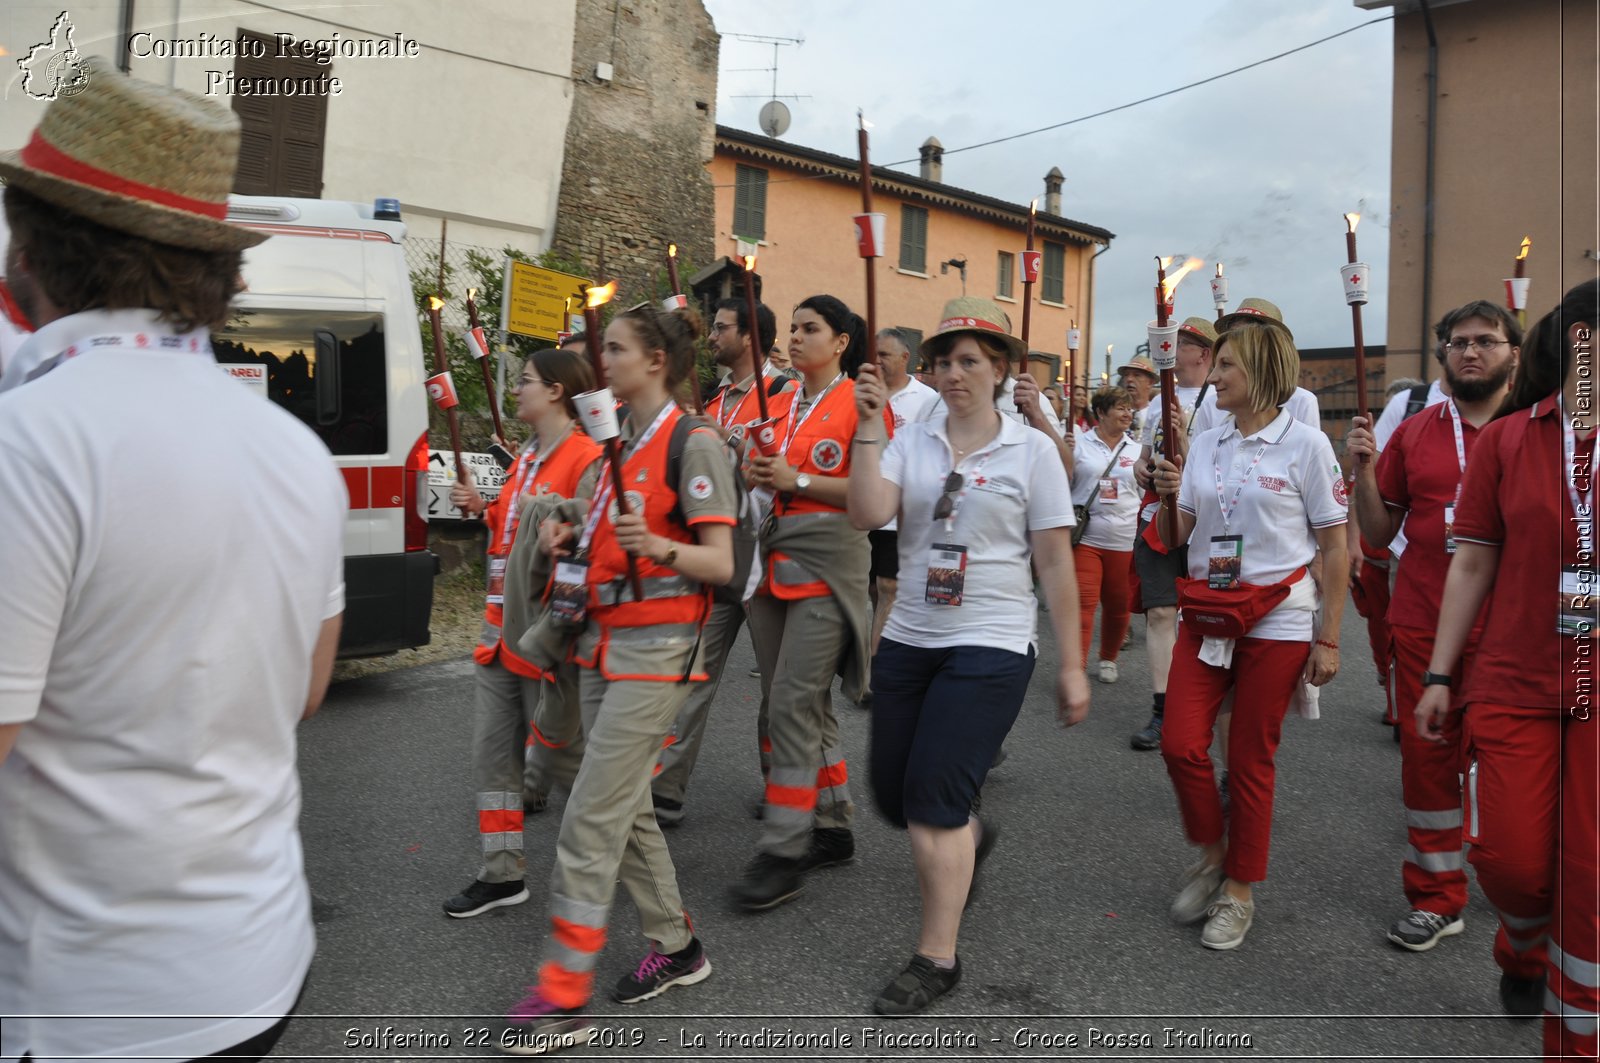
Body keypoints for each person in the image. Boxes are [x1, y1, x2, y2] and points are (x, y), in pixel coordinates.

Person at [0, 63, 344, 1062]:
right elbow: (306, 691)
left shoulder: (30, 441)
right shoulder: (295, 451)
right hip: (254, 964)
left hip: (79, 1002)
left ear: (32, 244)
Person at [846, 297, 1089, 1014]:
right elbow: (866, 513)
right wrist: (866, 426)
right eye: (944, 361)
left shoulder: (1032, 450)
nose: (954, 373)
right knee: (895, 796)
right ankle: (969, 836)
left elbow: (1055, 561)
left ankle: (936, 956)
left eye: (970, 361)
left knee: (933, 803)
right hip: (910, 636)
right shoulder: (908, 438)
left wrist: (1071, 663)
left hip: (990, 640)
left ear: (1000, 369)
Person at [503, 305, 736, 1050]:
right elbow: (608, 523)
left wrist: (660, 548)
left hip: (658, 652)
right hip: (602, 646)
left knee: (590, 821)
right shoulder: (621, 440)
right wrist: (568, 519)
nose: (600, 361)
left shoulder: (693, 441)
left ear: (656, 361)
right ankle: (677, 946)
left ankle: (564, 994)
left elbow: (720, 564)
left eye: (614, 348)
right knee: (624, 808)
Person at [1415, 279, 1599, 1055]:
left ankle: (1575, 1038)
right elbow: (1470, 565)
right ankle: (1523, 942)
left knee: (1588, 884)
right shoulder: (1511, 438)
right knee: (1513, 865)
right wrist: (1438, 673)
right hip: (1517, 681)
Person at [1150, 317, 1347, 951]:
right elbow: (1179, 535)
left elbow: (1335, 544)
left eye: (1228, 365)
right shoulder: (1207, 444)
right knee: (1180, 743)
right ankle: (1212, 853)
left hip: (1279, 620)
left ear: (1261, 372)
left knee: (1249, 760)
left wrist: (1331, 636)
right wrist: (1164, 494)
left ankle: (1239, 889)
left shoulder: (1307, 446)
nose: (1216, 374)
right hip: (1207, 611)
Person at [1345, 300, 1521, 952]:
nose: (1471, 351)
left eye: (1487, 341)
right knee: (1429, 765)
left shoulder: (1540, 430)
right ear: (1443, 355)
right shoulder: (1416, 432)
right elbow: (1378, 529)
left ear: (1514, 355)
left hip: (1513, 634)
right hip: (1421, 624)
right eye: (1458, 341)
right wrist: (1363, 470)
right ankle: (1438, 897)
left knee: (1512, 771)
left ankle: (1521, 891)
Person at [730, 293, 892, 911]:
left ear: (842, 341)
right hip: (773, 557)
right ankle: (832, 823)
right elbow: (768, 472)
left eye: (810, 328)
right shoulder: (780, 403)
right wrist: (755, 471)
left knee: (792, 704)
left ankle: (784, 848)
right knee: (795, 701)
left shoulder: (861, 401)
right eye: (792, 329)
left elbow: (873, 491)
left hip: (831, 560)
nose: (795, 338)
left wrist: (794, 480)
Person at [442, 347, 602, 917]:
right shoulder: (525, 457)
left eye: (527, 381)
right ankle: (502, 873)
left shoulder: (586, 458)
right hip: (495, 634)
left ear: (557, 391)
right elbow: (513, 530)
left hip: (543, 636)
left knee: (569, 762)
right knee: (494, 759)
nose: (516, 390)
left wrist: (557, 633)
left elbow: (584, 550)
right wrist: (483, 506)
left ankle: (628, 858)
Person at [651, 296, 790, 827]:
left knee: (777, 683)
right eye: (710, 327)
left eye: (722, 327)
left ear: (750, 337)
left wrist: (732, 442)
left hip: (766, 552)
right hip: (718, 552)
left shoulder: (782, 392)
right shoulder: (716, 396)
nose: (712, 335)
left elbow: (778, 459)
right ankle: (666, 786)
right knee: (690, 672)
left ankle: (780, 782)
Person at [1129, 317, 1217, 749]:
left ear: (1203, 353)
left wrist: (1184, 440)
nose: (1171, 349)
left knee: (1203, 616)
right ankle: (1162, 710)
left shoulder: (1220, 400)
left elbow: (1216, 469)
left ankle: (1203, 705)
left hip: (1205, 522)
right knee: (1161, 613)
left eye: (1181, 343)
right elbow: (1141, 461)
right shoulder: (1153, 406)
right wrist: (1140, 468)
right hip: (1158, 518)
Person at [867, 327, 942, 663]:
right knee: (873, 589)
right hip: (864, 505)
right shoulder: (862, 392)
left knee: (888, 588)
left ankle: (875, 674)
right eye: (875, 354)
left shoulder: (926, 401)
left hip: (899, 513)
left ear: (905, 358)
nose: (878, 361)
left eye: (885, 355)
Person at [1071, 386, 1141, 683]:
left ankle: (1109, 658)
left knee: (1117, 605)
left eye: (1130, 408)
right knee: (1084, 604)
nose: (1128, 413)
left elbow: (1143, 492)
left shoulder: (1137, 449)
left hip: (1125, 539)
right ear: (1100, 413)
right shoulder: (1078, 444)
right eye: (1120, 408)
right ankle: (1077, 665)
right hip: (1087, 538)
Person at [1188, 299, 1322, 435]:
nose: (1235, 342)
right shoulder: (1212, 405)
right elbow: (1197, 453)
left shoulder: (1302, 401)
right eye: (1233, 334)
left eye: (1246, 337)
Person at [1115, 354, 1159, 442]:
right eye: (1126, 375)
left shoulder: (1157, 414)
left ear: (1150, 382)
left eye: (1137, 375)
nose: (1129, 379)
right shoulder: (1114, 413)